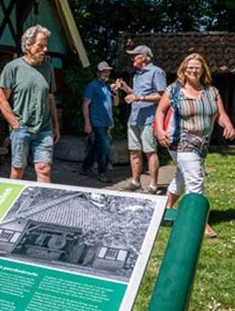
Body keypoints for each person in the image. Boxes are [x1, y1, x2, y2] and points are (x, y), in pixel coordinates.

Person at [155, 53, 235, 238]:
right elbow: (160, 111)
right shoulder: (174, 90)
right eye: (190, 67)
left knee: (182, 178)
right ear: (183, 69)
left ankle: (165, 208)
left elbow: (221, 114)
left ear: (203, 70)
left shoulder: (211, 92)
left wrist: (228, 124)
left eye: (196, 67)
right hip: (179, 142)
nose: (193, 70)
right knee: (195, 180)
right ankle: (199, 223)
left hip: (202, 144)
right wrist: (160, 130)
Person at [0, 25, 60, 183]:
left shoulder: (48, 68)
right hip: (22, 128)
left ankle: (43, 205)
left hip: (44, 128)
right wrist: (15, 125)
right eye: (40, 45)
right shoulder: (13, 68)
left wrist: (56, 125)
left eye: (46, 45)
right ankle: (12, 204)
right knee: (18, 170)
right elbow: (2, 99)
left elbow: (50, 97)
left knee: (44, 169)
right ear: (28, 45)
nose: (45, 49)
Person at [116, 45, 167, 193]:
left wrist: (139, 97)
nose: (132, 58)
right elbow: (136, 95)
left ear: (143, 57)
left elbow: (162, 97)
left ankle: (153, 185)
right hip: (134, 119)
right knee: (134, 151)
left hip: (148, 120)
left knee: (150, 152)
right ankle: (135, 182)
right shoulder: (137, 75)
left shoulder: (156, 72)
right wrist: (126, 88)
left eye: (135, 55)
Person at [80, 61, 120, 183]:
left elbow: (116, 104)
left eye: (107, 71)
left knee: (97, 147)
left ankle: (85, 168)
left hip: (106, 122)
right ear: (98, 73)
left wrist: (115, 92)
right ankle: (102, 173)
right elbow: (85, 105)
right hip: (97, 122)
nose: (106, 73)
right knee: (104, 148)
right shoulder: (92, 86)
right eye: (103, 71)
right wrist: (87, 123)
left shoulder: (108, 87)